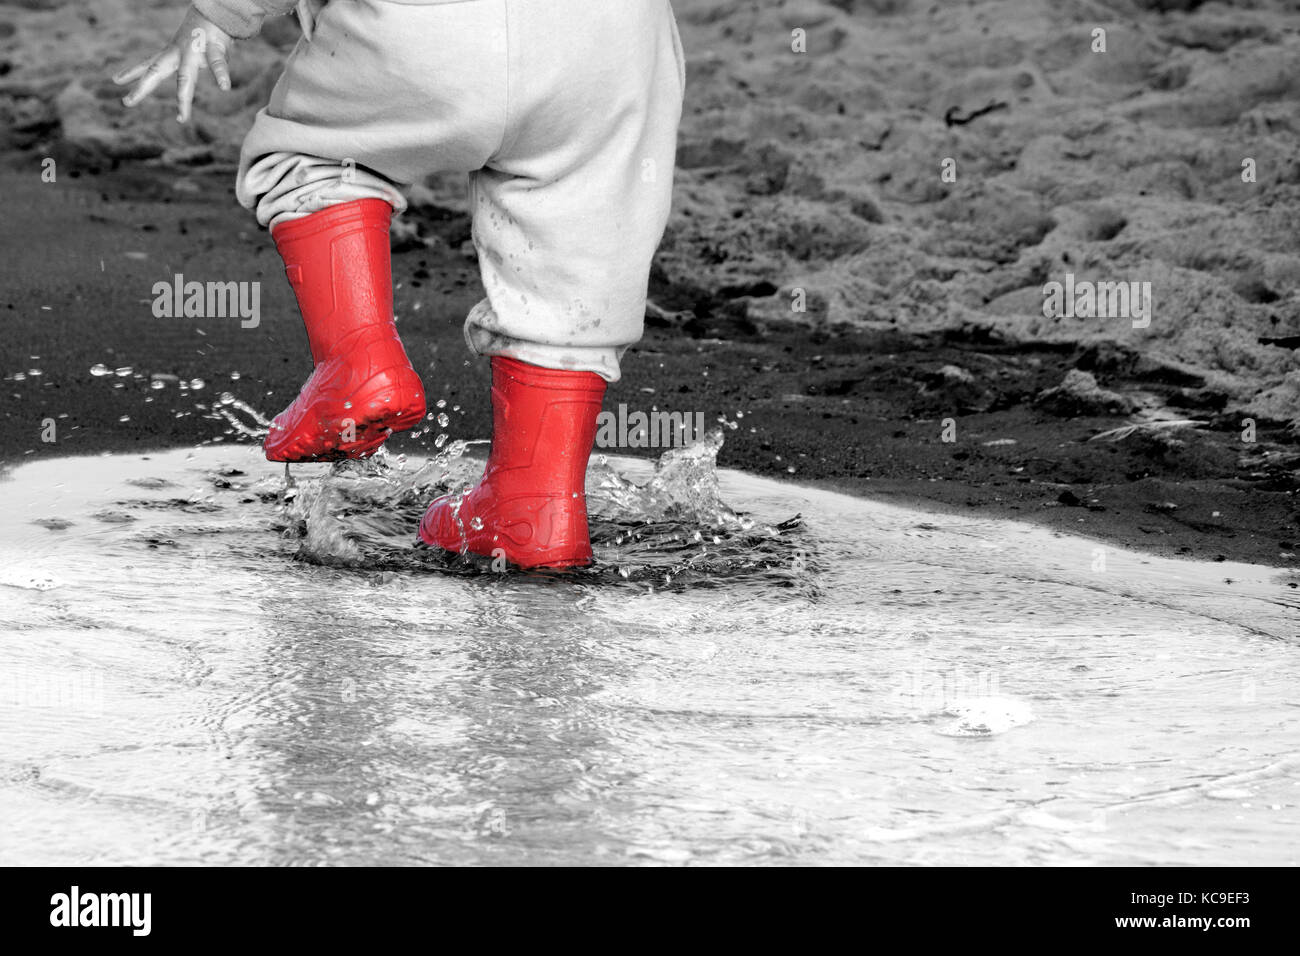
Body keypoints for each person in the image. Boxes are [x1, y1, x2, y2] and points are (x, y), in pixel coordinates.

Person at [116, 0, 685, 568]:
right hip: (607, 44)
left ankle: (359, 360)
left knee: (313, 155)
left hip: (429, 30)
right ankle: (535, 505)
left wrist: (217, 15)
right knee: (583, 228)